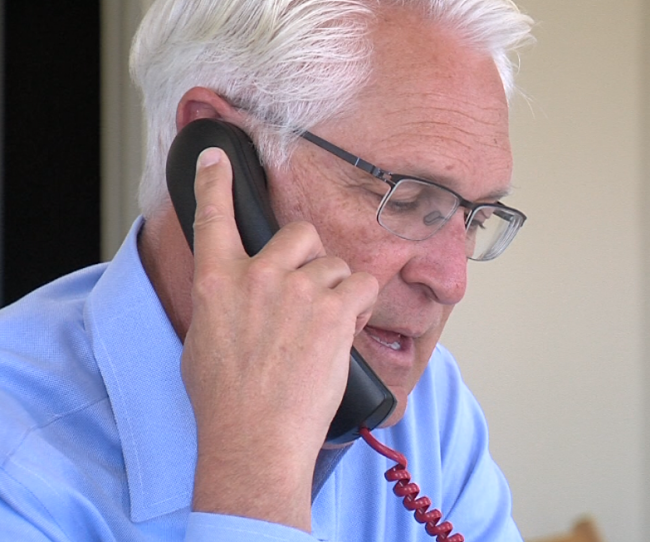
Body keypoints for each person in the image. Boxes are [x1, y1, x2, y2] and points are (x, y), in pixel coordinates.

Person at [0, 0, 533, 540]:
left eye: (475, 217)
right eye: (405, 199)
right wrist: (255, 470)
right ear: (219, 160)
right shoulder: (16, 460)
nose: (451, 281)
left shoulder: (428, 410)